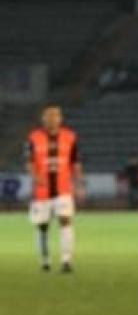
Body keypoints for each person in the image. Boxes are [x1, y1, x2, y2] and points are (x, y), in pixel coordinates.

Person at [25, 104, 83, 273]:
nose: (52, 119)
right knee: (42, 226)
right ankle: (45, 261)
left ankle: (66, 261)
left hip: (63, 189)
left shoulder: (70, 137)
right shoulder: (33, 137)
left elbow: (76, 162)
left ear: (60, 118)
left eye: (55, 115)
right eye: (48, 116)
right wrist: (35, 177)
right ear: (43, 119)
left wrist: (78, 183)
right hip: (41, 191)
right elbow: (28, 161)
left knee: (65, 221)